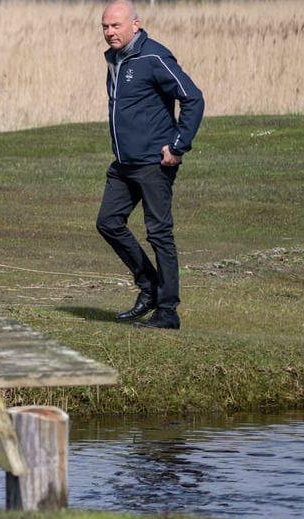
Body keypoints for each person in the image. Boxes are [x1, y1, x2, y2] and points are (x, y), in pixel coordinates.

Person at [95, 0, 204, 330]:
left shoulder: (154, 56)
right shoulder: (116, 59)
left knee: (159, 234)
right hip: (124, 163)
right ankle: (149, 287)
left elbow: (193, 98)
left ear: (135, 25)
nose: (110, 32)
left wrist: (178, 145)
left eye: (116, 26)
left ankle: (168, 311)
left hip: (155, 164)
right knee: (108, 222)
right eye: (105, 27)